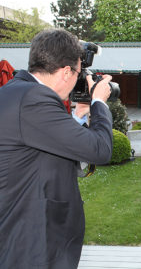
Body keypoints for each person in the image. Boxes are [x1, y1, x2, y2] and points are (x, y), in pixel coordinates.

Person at [0, 29, 113, 269]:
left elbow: (40, 147)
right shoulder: (34, 99)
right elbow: (100, 150)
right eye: (78, 72)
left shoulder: (17, 92)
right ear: (66, 72)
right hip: (32, 245)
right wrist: (99, 102)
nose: (78, 80)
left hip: (25, 235)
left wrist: (80, 116)